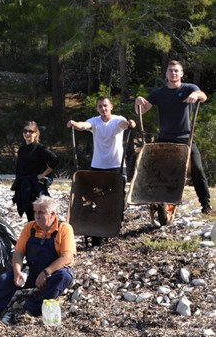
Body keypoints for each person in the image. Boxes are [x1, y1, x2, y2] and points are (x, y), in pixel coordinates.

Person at [0, 195, 76, 325]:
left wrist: (46, 273)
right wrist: (17, 271)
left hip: (53, 272)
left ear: (52, 214)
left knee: (64, 276)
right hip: (32, 270)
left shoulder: (64, 228)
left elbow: (67, 257)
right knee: (5, 279)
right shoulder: (30, 228)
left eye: (41, 212)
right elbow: (18, 252)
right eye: (35, 212)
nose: (37, 216)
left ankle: (33, 307)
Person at [135, 60, 211, 214]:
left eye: (176, 71)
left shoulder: (189, 88)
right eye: (171, 71)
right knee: (158, 171)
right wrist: (138, 102)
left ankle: (206, 204)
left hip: (185, 138)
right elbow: (141, 112)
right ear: (166, 74)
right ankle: (158, 202)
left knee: (197, 169)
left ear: (181, 74)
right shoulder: (158, 93)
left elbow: (203, 96)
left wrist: (196, 94)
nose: (173, 73)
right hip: (164, 139)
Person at [67, 96, 136, 245]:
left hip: (116, 165)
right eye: (100, 107)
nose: (103, 109)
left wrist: (130, 123)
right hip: (98, 165)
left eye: (105, 106)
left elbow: (125, 124)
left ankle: (115, 224)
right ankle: (97, 229)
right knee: (96, 199)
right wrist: (75, 124)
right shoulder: (95, 121)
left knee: (117, 197)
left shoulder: (118, 120)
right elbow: (84, 125)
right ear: (97, 109)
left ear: (111, 106)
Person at [12, 121, 60, 221]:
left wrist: (43, 175)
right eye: (25, 131)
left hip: (36, 187)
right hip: (23, 185)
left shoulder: (40, 148)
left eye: (31, 131)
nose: (27, 133)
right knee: (28, 213)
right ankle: (33, 235)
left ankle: (43, 235)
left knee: (41, 213)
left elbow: (55, 160)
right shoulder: (22, 149)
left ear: (36, 133)